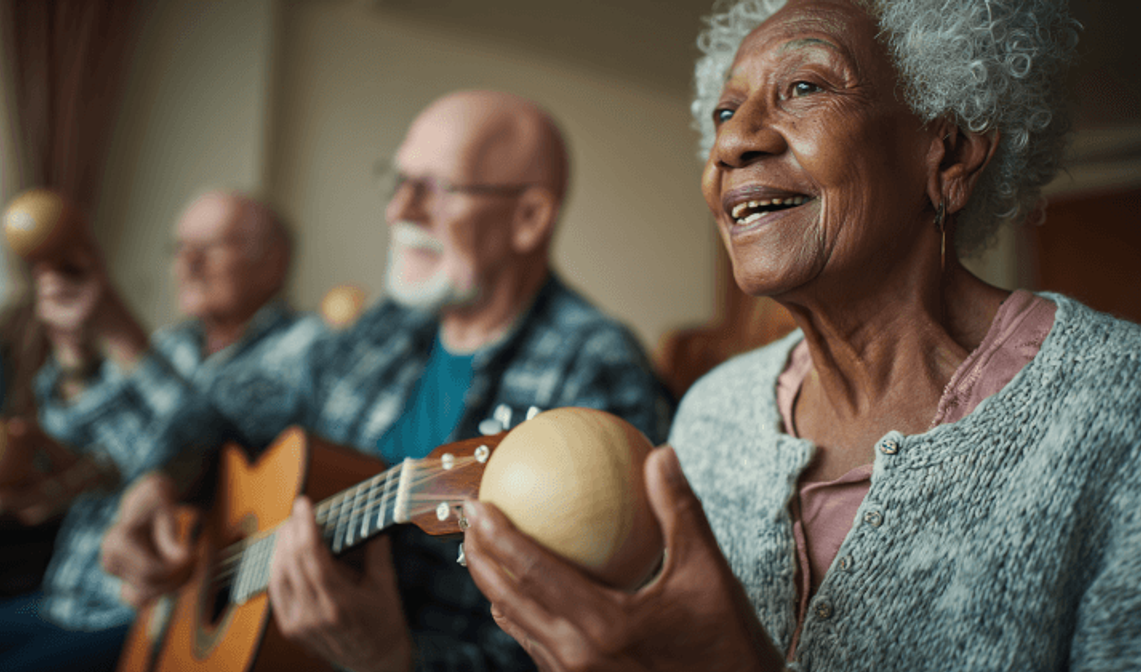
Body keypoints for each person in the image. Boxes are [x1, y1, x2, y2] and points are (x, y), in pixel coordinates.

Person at [463, 0, 1141, 670]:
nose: (732, 143)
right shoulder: (711, 414)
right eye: (725, 113)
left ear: (950, 152)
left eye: (805, 88)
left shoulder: (1119, 402)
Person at [87, 90, 671, 672]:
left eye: (435, 190)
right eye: (398, 181)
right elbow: (222, 399)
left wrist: (395, 661)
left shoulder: (594, 368)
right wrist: (157, 483)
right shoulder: (384, 329)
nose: (398, 211)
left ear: (529, 218)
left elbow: (606, 648)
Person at [0, 190, 310, 672]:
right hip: (65, 594)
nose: (188, 263)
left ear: (273, 261)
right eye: (180, 248)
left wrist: (117, 330)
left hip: (151, 619)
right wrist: (74, 350)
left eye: (212, 246)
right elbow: (88, 451)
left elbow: (208, 446)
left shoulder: (304, 351)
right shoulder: (170, 346)